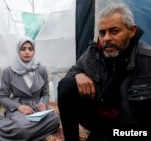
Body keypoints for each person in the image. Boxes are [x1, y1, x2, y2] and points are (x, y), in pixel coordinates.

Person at [58, 3, 151, 141]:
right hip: (101, 121)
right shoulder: (94, 52)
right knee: (66, 85)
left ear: (131, 31)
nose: (106, 38)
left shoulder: (147, 59)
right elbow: (72, 72)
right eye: (102, 32)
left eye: (114, 31)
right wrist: (79, 75)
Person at [0, 36, 60, 141]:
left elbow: (45, 93)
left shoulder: (41, 69)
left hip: (38, 108)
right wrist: (18, 107)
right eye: (23, 49)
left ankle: (25, 135)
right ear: (18, 50)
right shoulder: (9, 72)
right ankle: (26, 133)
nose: (27, 52)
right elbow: (3, 97)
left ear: (34, 51)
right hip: (19, 107)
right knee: (22, 128)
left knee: (54, 121)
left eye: (30, 49)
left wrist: (43, 104)